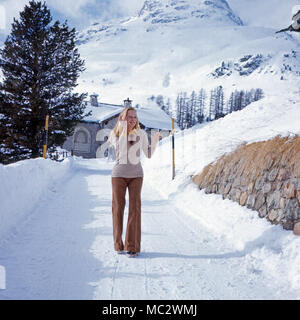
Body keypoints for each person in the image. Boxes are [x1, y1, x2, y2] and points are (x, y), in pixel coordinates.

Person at [108, 107, 160, 258]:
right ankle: (118, 244)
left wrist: (155, 141)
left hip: (137, 175)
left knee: (135, 209)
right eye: (129, 116)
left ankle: (132, 247)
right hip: (118, 175)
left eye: (135, 117)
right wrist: (124, 131)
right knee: (118, 208)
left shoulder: (141, 134)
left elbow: (148, 154)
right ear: (122, 118)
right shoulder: (115, 134)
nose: (132, 119)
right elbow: (122, 152)